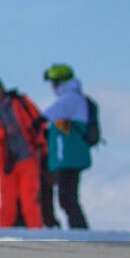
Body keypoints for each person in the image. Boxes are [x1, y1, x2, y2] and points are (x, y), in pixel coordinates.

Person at [0, 75, 46, 228]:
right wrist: (3, 132)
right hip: (7, 165)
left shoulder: (21, 102)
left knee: (30, 202)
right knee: (8, 205)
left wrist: (42, 148)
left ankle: (37, 236)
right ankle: (4, 239)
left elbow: (39, 124)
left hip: (28, 157)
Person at [39, 63, 92, 229]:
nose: (52, 87)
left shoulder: (70, 99)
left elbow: (43, 117)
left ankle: (80, 231)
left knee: (67, 198)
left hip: (68, 158)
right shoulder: (75, 98)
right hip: (69, 157)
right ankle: (79, 229)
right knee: (68, 197)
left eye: (53, 83)